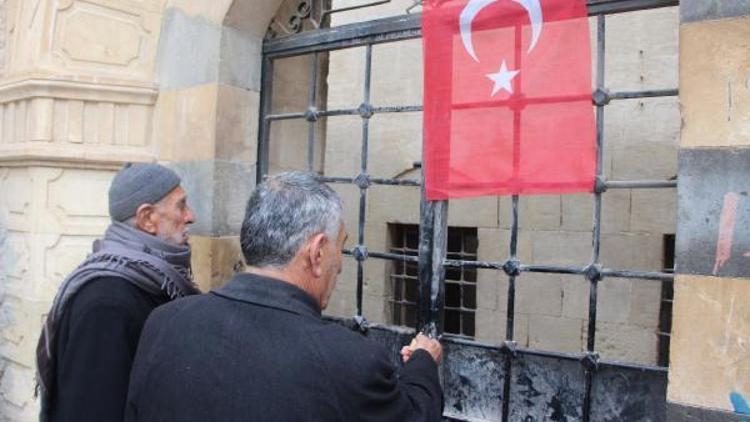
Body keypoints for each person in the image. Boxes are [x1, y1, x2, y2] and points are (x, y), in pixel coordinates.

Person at [125, 171, 444, 421]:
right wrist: (423, 364)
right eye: (340, 246)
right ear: (318, 252)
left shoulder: (165, 322)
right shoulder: (347, 361)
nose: (341, 264)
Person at [36, 162, 201, 422]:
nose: (190, 216)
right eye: (181, 205)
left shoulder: (149, 281)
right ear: (147, 218)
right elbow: (93, 410)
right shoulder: (107, 305)